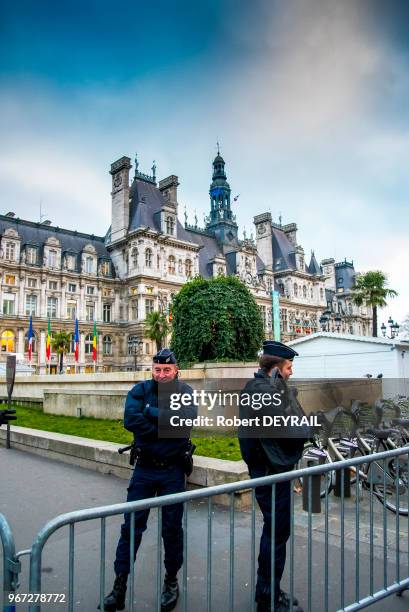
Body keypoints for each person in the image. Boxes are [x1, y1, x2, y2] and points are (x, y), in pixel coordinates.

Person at [102, 348, 197, 612]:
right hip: (144, 469)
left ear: (176, 370)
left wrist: (151, 413)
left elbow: (185, 423)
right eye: (158, 369)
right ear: (152, 370)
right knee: (131, 528)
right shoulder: (140, 390)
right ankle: (119, 586)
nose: (162, 374)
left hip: (173, 471)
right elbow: (131, 420)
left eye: (167, 370)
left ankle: (171, 581)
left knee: (172, 529)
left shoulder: (185, 392)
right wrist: (166, 424)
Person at [239, 340, 307, 612]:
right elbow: (290, 429)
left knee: (277, 532)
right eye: (289, 367)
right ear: (276, 369)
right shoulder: (262, 392)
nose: (291, 372)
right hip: (270, 472)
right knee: (276, 532)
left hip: (272, 470)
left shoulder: (268, 389)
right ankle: (267, 596)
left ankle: (270, 590)